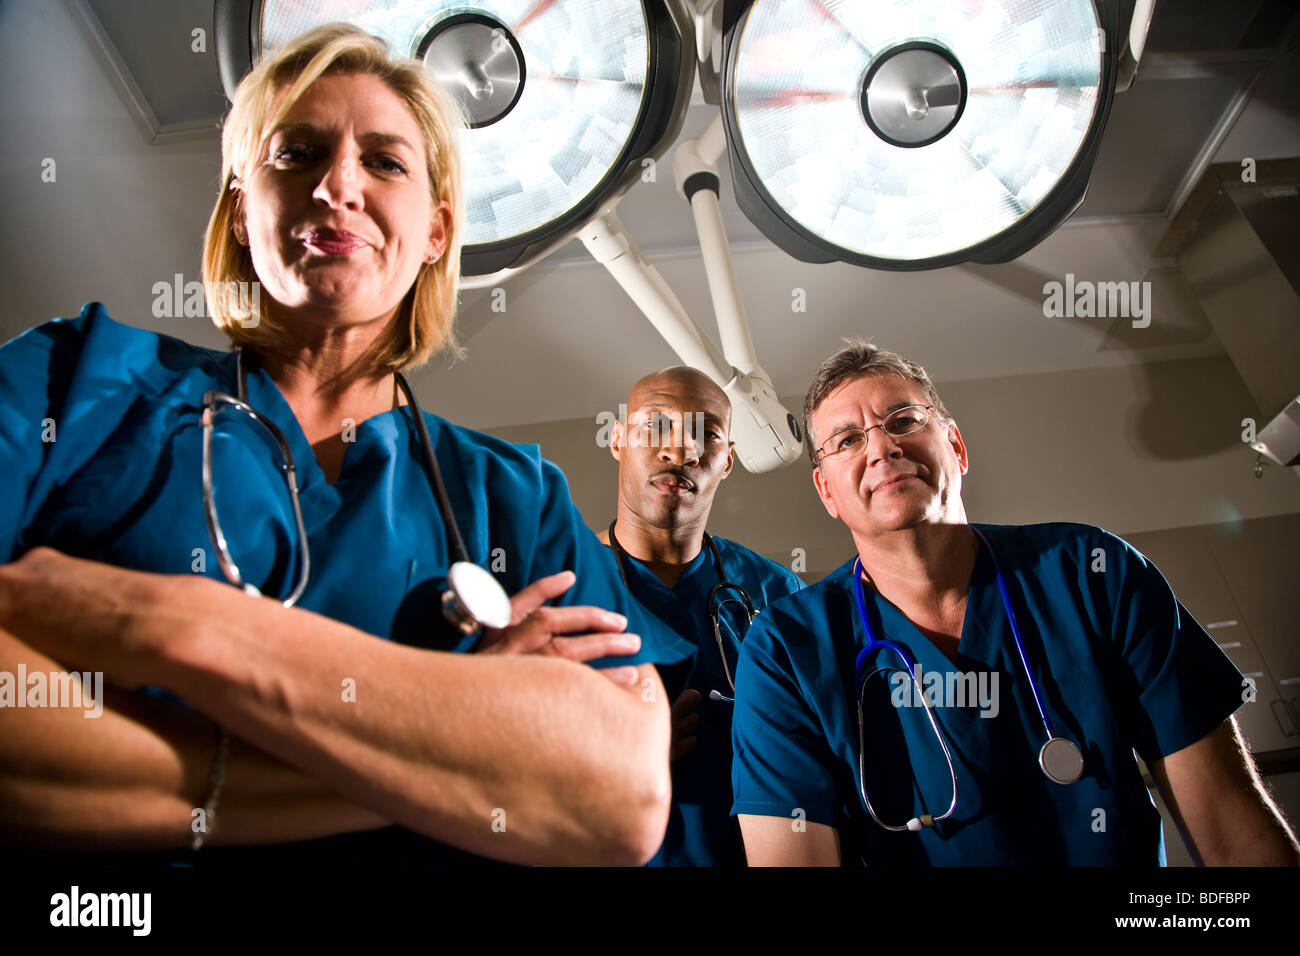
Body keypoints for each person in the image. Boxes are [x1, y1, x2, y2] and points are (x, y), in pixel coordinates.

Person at [0, 24, 697, 867]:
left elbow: (619, 794)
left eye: (385, 162)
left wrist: (176, 627)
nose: (338, 186)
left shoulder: (515, 496)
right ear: (239, 206)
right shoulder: (79, 380)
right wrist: (465, 725)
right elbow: (559, 790)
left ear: (437, 232)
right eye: (296, 153)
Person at [731, 339, 1300, 866]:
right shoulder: (788, 650)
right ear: (827, 491)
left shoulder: (1091, 570)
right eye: (848, 440)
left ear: (955, 445)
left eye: (903, 420)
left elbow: (1231, 834)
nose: (882, 446)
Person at [597, 368, 803, 866]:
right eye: (656, 425)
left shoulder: (777, 593)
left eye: (707, 433)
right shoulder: (552, 585)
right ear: (618, 440)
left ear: (727, 460)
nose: (681, 451)